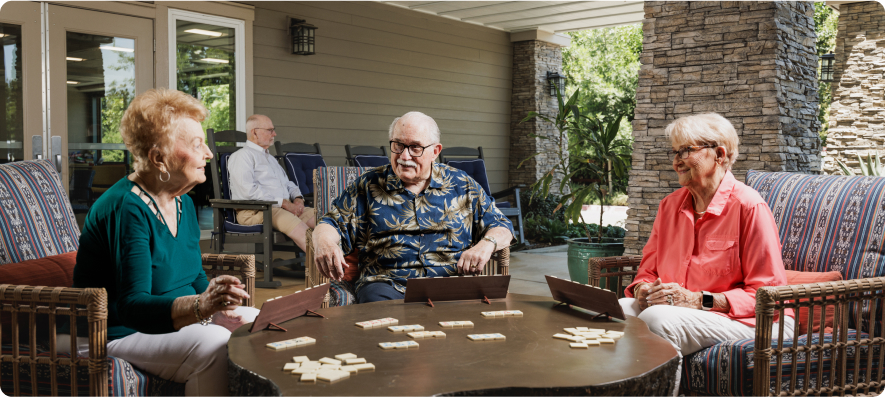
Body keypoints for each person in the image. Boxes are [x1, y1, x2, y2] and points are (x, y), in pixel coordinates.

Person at [71, 88, 257, 396]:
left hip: (163, 323)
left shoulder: (180, 200)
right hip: (112, 330)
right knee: (214, 344)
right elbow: (131, 306)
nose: (209, 154)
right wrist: (201, 307)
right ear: (160, 158)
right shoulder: (127, 207)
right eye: (198, 145)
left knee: (255, 322)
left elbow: (194, 275)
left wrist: (215, 308)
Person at [619, 113, 793, 394]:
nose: (677, 160)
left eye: (686, 150)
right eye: (675, 152)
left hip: (755, 321)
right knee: (618, 310)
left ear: (720, 154)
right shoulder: (669, 207)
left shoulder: (749, 207)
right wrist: (642, 291)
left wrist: (698, 300)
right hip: (685, 311)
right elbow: (647, 273)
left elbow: (767, 294)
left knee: (657, 319)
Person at [312, 111, 514, 303]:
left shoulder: (462, 184)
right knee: (382, 327)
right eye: (398, 145)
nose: (404, 156)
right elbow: (331, 223)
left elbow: (502, 226)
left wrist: (486, 244)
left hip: (453, 283)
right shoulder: (368, 185)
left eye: (415, 147)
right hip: (387, 285)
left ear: (435, 151)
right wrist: (324, 241)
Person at [227, 114, 316, 251]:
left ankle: (343, 262)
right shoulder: (242, 157)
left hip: (281, 208)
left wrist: (298, 198)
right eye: (270, 130)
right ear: (255, 132)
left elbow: (287, 184)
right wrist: (285, 203)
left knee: (325, 220)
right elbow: (248, 192)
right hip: (255, 211)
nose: (274, 133)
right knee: (301, 230)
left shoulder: (271, 159)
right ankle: (328, 267)